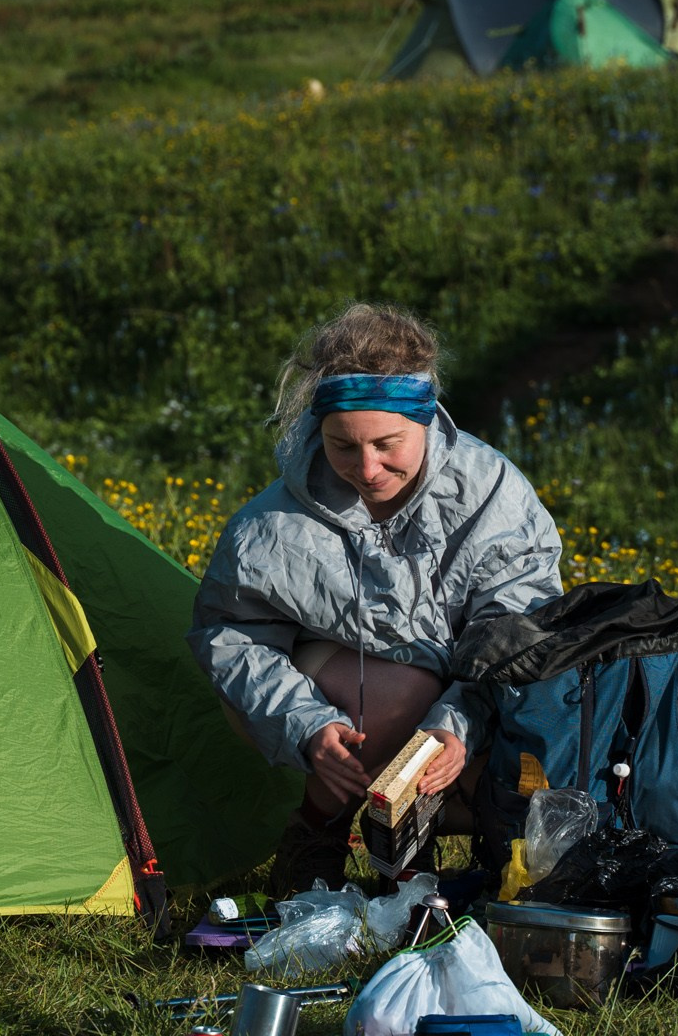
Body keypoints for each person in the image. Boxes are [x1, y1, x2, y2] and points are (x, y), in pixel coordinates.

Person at [188, 304, 563, 895]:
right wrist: (305, 725)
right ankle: (316, 835)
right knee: (404, 689)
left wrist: (459, 724)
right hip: (338, 693)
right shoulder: (271, 524)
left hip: (468, 695)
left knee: (542, 775)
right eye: (341, 446)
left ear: (426, 422)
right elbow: (231, 635)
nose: (367, 468)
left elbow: (517, 629)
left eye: (388, 444)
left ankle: (413, 847)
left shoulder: (493, 493)